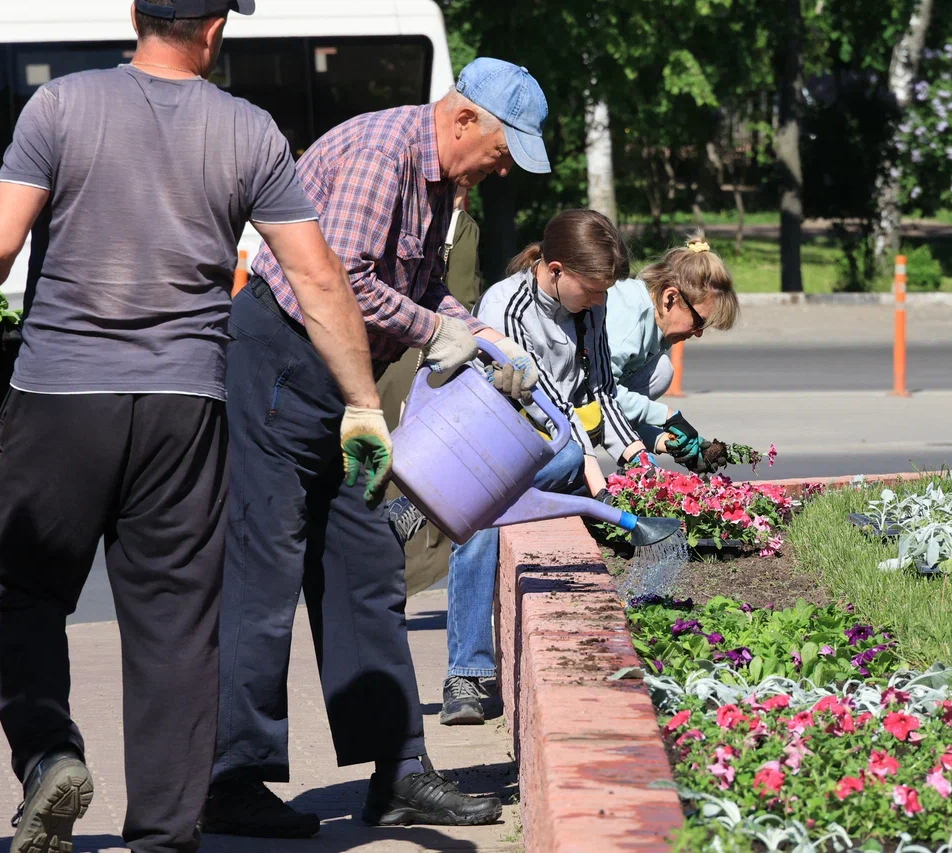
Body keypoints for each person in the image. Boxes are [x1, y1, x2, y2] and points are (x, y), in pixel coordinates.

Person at [0, 1, 394, 851]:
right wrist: (362, 402)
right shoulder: (250, 131)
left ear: (138, 13)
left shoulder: (61, 107)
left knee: (26, 590)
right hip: (188, 410)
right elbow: (319, 276)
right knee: (176, 623)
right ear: (214, 29)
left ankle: (48, 756)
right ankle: (164, 836)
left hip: (60, 400)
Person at [203, 58, 549, 837]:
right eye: (501, 149)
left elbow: (419, 285)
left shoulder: (437, 180)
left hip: (343, 383)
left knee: (364, 568)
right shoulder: (380, 153)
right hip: (284, 363)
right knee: (266, 568)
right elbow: (341, 278)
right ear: (463, 120)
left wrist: (478, 332)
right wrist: (438, 331)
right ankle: (230, 777)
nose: (501, 169)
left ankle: (396, 772)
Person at [440, 209, 652, 726]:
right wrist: (586, 458)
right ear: (555, 270)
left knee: (485, 504)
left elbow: (597, 389)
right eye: (593, 289)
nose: (600, 302)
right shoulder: (506, 306)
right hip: (493, 443)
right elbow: (545, 402)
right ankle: (466, 672)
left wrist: (633, 454)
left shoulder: (589, 310)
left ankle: (432, 504)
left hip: (548, 452)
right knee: (488, 508)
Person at [380, 186, 484, 596]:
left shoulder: (398, 214)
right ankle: (401, 580)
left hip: (380, 357)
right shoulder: (460, 225)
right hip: (423, 361)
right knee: (417, 481)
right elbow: (462, 297)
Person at [604, 235, 740, 472]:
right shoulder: (629, 318)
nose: (698, 334)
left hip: (590, 402)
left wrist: (666, 442)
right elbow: (601, 394)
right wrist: (667, 416)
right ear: (671, 298)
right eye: (699, 322)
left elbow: (613, 411)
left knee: (661, 371)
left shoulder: (657, 329)